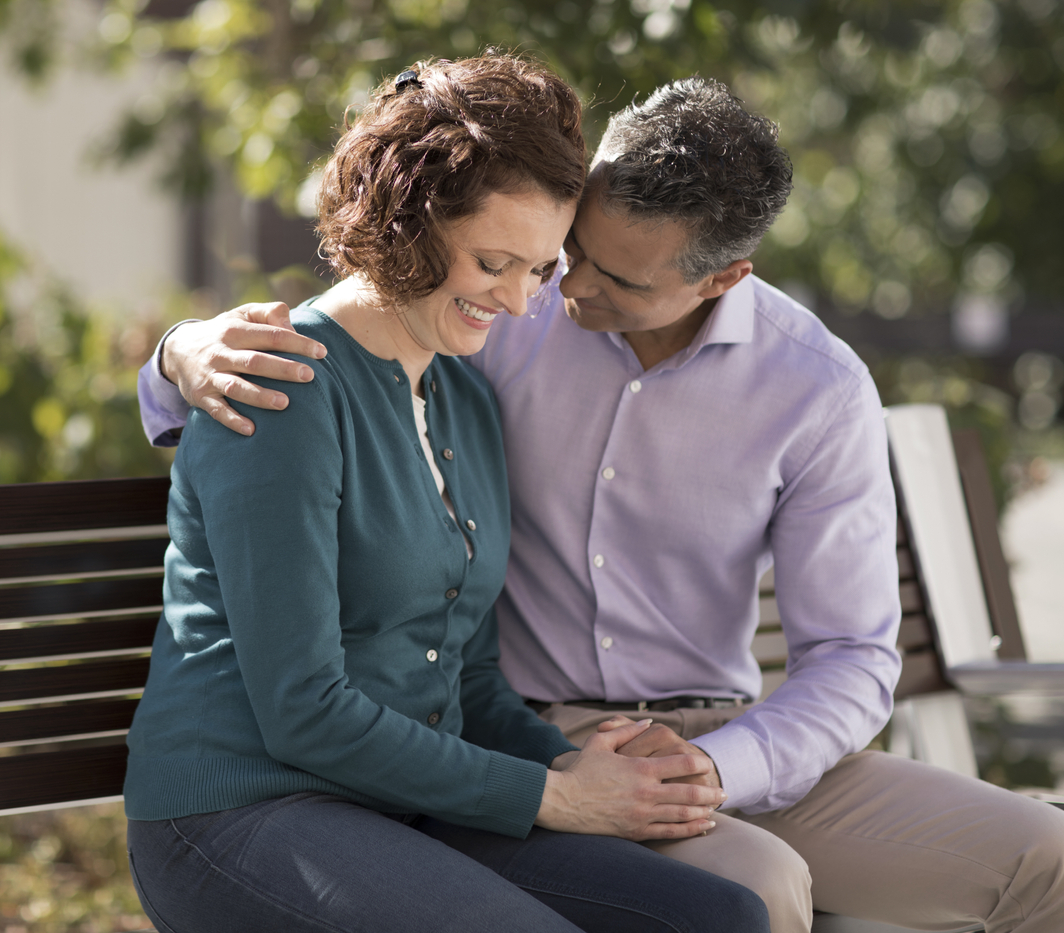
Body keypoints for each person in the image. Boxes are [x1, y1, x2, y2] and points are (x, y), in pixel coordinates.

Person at [140, 76, 1064, 933]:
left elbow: (850, 658)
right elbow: (340, 335)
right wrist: (176, 354)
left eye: (587, 274)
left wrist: (690, 767)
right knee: (750, 890)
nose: (552, 292)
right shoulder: (462, 335)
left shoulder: (794, 385)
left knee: (780, 907)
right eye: (558, 257)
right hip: (292, 783)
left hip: (672, 738)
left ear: (720, 277)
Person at [122, 55, 772, 933]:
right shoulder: (283, 388)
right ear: (405, 224)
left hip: (404, 804)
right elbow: (304, 713)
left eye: (540, 269)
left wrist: (588, 769)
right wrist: (555, 797)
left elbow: (465, 670)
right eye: (493, 262)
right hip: (244, 810)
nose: (516, 301)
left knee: (721, 917)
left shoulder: (462, 393)